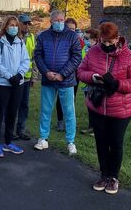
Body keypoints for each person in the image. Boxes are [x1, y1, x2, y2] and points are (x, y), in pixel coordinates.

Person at [77, 22, 131, 195]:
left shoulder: (128, 55)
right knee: (101, 142)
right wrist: (92, 77)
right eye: (103, 41)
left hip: (121, 108)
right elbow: (81, 71)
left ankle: (113, 177)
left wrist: (117, 84)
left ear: (117, 38)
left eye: (110, 41)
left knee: (115, 142)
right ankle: (104, 174)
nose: (106, 45)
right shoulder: (93, 52)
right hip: (98, 106)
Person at [34, 10, 82, 155]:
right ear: (51, 21)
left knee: (69, 111)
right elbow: (38, 55)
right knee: (46, 110)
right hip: (48, 79)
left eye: (62, 20)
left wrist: (62, 74)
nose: (60, 22)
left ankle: (71, 141)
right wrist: (46, 72)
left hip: (66, 80)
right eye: (57, 20)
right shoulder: (43, 36)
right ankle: (43, 138)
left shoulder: (72, 36)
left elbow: (76, 57)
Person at [0, 16, 30, 157]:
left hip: (17, 83)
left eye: (15, 25)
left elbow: (26, 60)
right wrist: (9, 76)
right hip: (2, 84)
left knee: (12, 113)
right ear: (5, 26)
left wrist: (19, 75)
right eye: (11, 25)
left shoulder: (20, 42)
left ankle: (8, 142)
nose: (14, 27)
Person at [14, 14, 36, 140]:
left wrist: (34, 76)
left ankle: (21, 129)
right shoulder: (12, 37)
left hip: (26, 77)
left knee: (24, 105)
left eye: (28, 24)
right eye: (25, 23)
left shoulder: (32, 37)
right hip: (14, 77)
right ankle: (11, 130)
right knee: (13, 104)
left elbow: (34, 58)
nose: (27, 26)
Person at [79, 28, 100, 135]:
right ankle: (91, 127)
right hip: (86, 83)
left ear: (95, 39)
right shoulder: (84, 49)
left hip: (95, 82)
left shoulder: (98, 50)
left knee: (96, 106)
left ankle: (97, 129)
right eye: (84, 38)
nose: (85, 40)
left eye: (87, 38)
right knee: (90, 106)